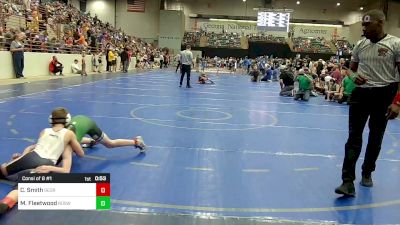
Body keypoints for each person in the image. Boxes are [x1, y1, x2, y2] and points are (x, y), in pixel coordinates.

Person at [335, 10, 400, 197]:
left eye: (367, 24)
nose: (363, 28)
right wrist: (354, 77)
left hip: (384, 93)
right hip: (361, 95)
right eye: (362, 25)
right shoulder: (360, 44)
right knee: (353, 137)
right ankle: (347, 181)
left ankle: (367, 171)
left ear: (380, 23)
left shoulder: (395, 44)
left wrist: (397, 102)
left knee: (375, 137)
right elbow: (349, 69)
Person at [0, 107, 84, 214]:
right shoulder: (69, 133)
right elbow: (80, 154)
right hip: (45, 163)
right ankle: (5, 203)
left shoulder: (44, 131)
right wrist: (49, 167)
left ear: (51, 120)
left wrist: (22, 156)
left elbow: (32, 147)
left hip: (30, 157)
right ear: (67, 120)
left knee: (3, 170)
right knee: (21, 187)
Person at [67, 115, 146, 152]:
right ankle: (92, 141)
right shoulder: (59, 131)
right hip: (80, 119)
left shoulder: (67, 136)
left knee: (110, 144)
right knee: (71, 142)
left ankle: (137, 142)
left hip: (88, 124)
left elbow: (80, 154)